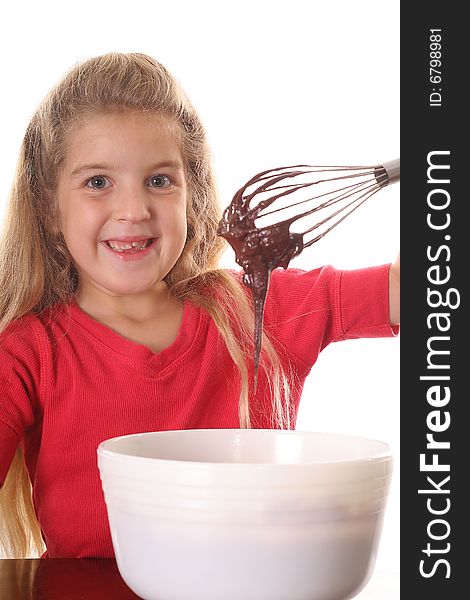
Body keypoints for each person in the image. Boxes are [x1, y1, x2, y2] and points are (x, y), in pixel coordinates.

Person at [0, 52, 400, 559]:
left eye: (160, 180)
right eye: (97, 182)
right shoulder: (29, 352)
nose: (134, 209)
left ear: (193, 196)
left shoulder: (257, 309)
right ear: (48, 209)